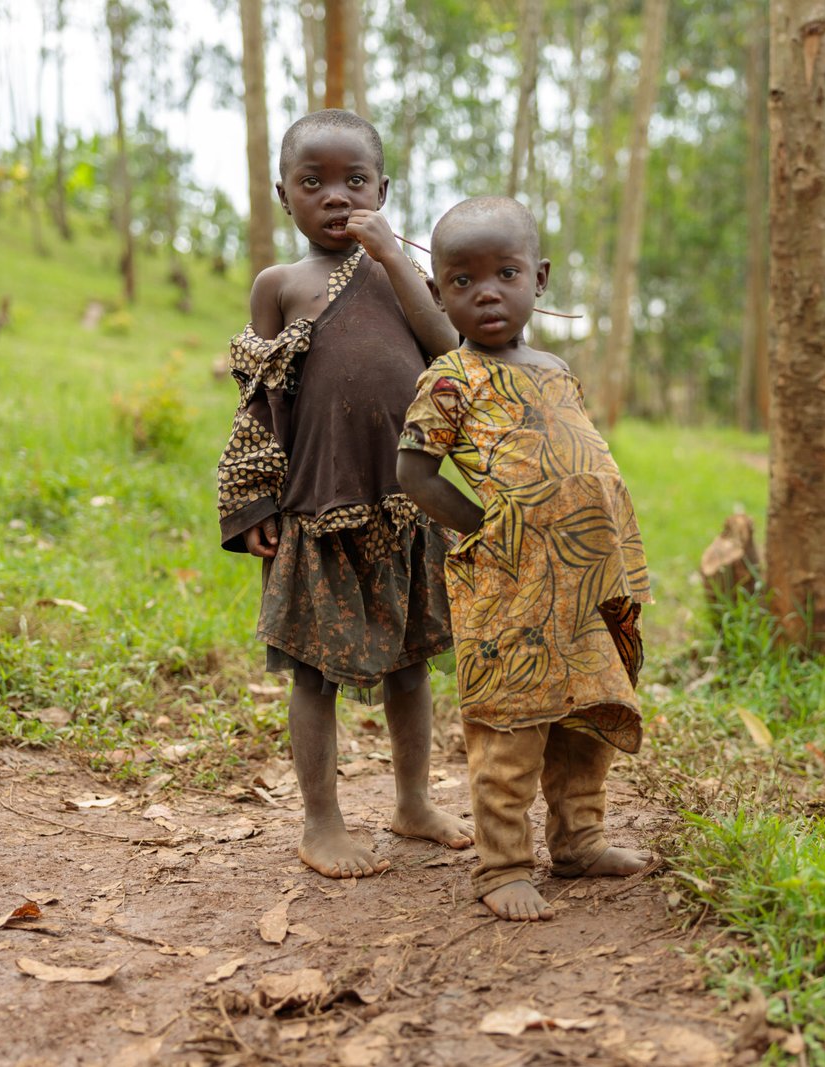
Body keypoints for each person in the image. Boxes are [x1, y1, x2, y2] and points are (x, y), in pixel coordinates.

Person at [216, 109, 472, 879]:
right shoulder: (280, 286)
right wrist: (252, 502)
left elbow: (448, 347)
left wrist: (395, 259)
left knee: (412, 661)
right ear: (283, 194)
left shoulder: (402, 277)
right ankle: (321, 819)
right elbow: (258, 401)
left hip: (405, 501)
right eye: (313, 181)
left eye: (354, 180)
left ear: (384, 190)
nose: (335, 195)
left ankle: (413, 800)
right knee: (312, 670)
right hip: (314, 505)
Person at [397, 196, 656, 922]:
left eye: (504, 272)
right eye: (461, 280)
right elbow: (414, 475)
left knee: (584, 723)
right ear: (440, 292)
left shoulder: (556, 368)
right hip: (509, 588)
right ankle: (503, 864)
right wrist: (487, 530)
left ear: (537, 278)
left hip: (585, 587)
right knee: (510, 728)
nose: (486, 291)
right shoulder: (450, 377)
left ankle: (580, 840)